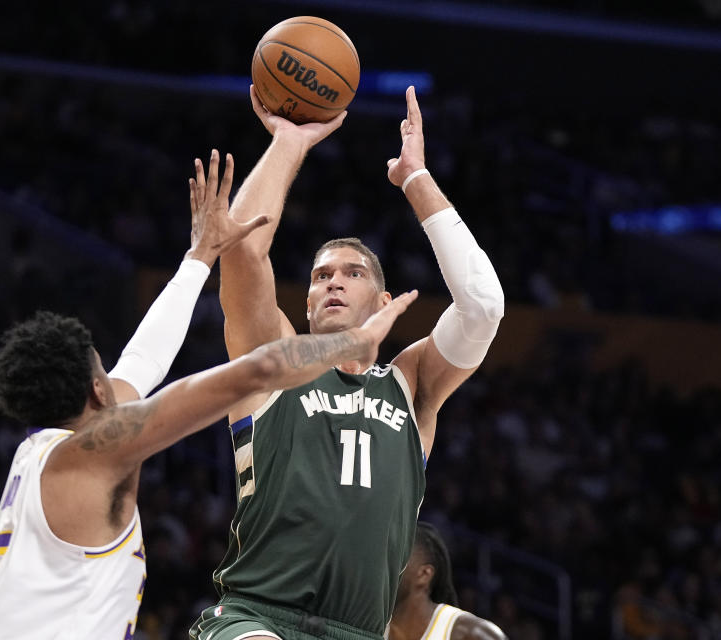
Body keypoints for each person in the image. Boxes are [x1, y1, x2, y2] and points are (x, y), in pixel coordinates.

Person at [0, 150, 419, 639]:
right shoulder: (98, 453)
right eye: (105, 369)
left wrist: (199, 257)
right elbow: (260, 369)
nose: (118, 378)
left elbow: (144, 361)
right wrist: (356, 340)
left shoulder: (39, 452)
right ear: (98, 392)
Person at [191, 85, 504, 640]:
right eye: (320, 276)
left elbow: (483, 306)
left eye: (352, 272)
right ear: (306, 304)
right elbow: (240, 247)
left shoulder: (412, 385)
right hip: (257, 618)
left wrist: (415, 179)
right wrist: (289, 141)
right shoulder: (275, 360)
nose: (334, 279)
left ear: (384, 304)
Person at [388, 522, 507, 640]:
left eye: (392, 560)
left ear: (424, 575)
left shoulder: (472, 634)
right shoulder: (375, 628)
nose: (382, 571)